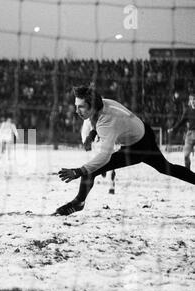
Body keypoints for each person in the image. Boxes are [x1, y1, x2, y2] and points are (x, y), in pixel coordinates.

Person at [55, 86, 195, 216]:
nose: (76, 111)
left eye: (81, 107)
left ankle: (79, 202)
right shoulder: (101, 104)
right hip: (143, 131)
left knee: (89, 170)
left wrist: (77, 171)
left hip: (138, 147)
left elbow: (105, 156)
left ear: (92, 106)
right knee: (166, 168)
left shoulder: (107, 122)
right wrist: (92, 135)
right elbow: (96, 121)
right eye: (76, 106)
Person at [81, 118, 116, 194]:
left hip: (108, 142)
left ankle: (111, 186)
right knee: (97, 164)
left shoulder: (108, 115)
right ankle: (103, 170)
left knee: (111, 164)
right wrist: (85, 142)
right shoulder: (88, 118)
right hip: (96, 145)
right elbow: (85, 130)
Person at [167, 93, 195, 169]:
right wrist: (173, 128)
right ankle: (188, 172)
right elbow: (181, 122)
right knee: (186, 156)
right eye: (192, 99)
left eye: (194, 99)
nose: (193, 101)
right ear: (190, 101)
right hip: (190, 135)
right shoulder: (188, 110)